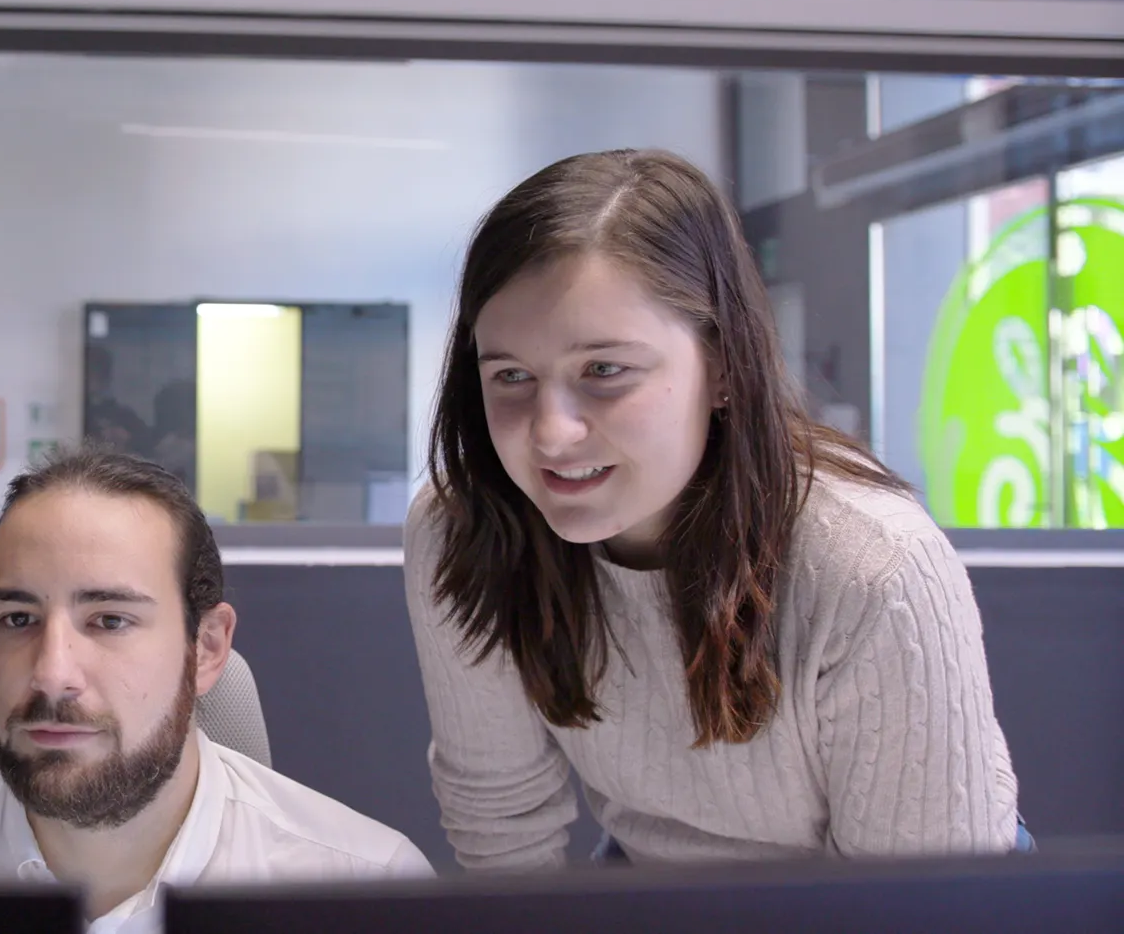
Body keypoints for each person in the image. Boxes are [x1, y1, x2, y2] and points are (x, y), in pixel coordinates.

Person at [404, 148, 1022, 871]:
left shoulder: (872, 567)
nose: (551, 431)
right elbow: (501, 824)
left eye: (604, 370)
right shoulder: (465, 528)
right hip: (650, 883)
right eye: (511, 375)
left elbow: (923, 907)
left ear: (723, 366)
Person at [0, 446, 430, 931]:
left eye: (110, 619)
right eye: (19, 618)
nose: (52, 671)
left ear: (206, 648)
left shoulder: (363, 893)